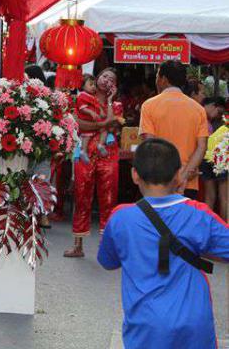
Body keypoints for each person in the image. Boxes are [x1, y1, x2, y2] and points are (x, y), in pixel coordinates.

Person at [97, 137, 229, 349]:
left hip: (145, 326)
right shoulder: (198, 213)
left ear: (135, 175)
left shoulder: (120, 218)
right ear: (178, 174)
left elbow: (107, 261)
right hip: (194, 324)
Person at [65, 68, 123, 258]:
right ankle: (78, 245)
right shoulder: (82, 98)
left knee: (108, 198)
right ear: (97, 78)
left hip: (108, 153)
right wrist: (102, 124)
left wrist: (109, 103)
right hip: (85, 152)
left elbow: (113, 126)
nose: (106, 80)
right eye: (104, 76)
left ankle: (107, 247)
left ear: (114, 86)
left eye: (111, 79)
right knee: (81, 196)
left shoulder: (116, 105)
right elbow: (79, 125)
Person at [139, 60, 209, 197]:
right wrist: (183, 176)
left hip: (159, 181)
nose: (156, 80)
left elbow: (149, 144)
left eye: (157, 76)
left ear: (163, 79)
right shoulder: (198, 109)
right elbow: (202, 147)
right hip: (188, 181)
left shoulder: (149, 105)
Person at [203, 116, 228, 219]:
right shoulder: (224, 123)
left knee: (209, 196)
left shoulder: (205, 120)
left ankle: (206, 225)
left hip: (207, 155)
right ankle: (225, 226)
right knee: (225, 197)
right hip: (222, 154)